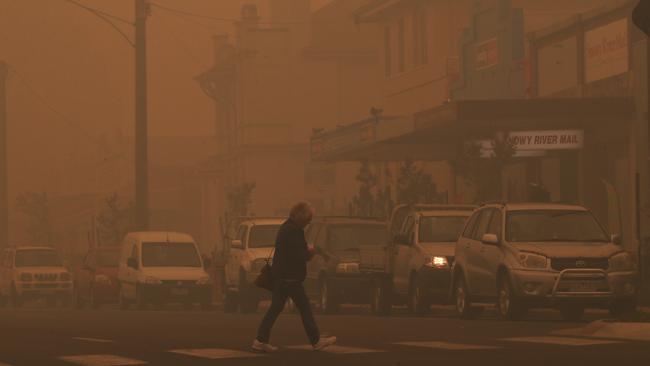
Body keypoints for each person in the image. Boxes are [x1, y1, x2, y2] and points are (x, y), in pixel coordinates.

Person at [252, 202, 337, 353]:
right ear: (299, 215)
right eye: (307, 219)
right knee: (305, 308)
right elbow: (299, 255)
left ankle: (260, 340)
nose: (308, 223)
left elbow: (293, 251)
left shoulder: (286, 227)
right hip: (290, 279)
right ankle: (316, 341)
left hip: (282, 277)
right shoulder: (294, 231)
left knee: (275, 309)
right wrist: (311, 253)